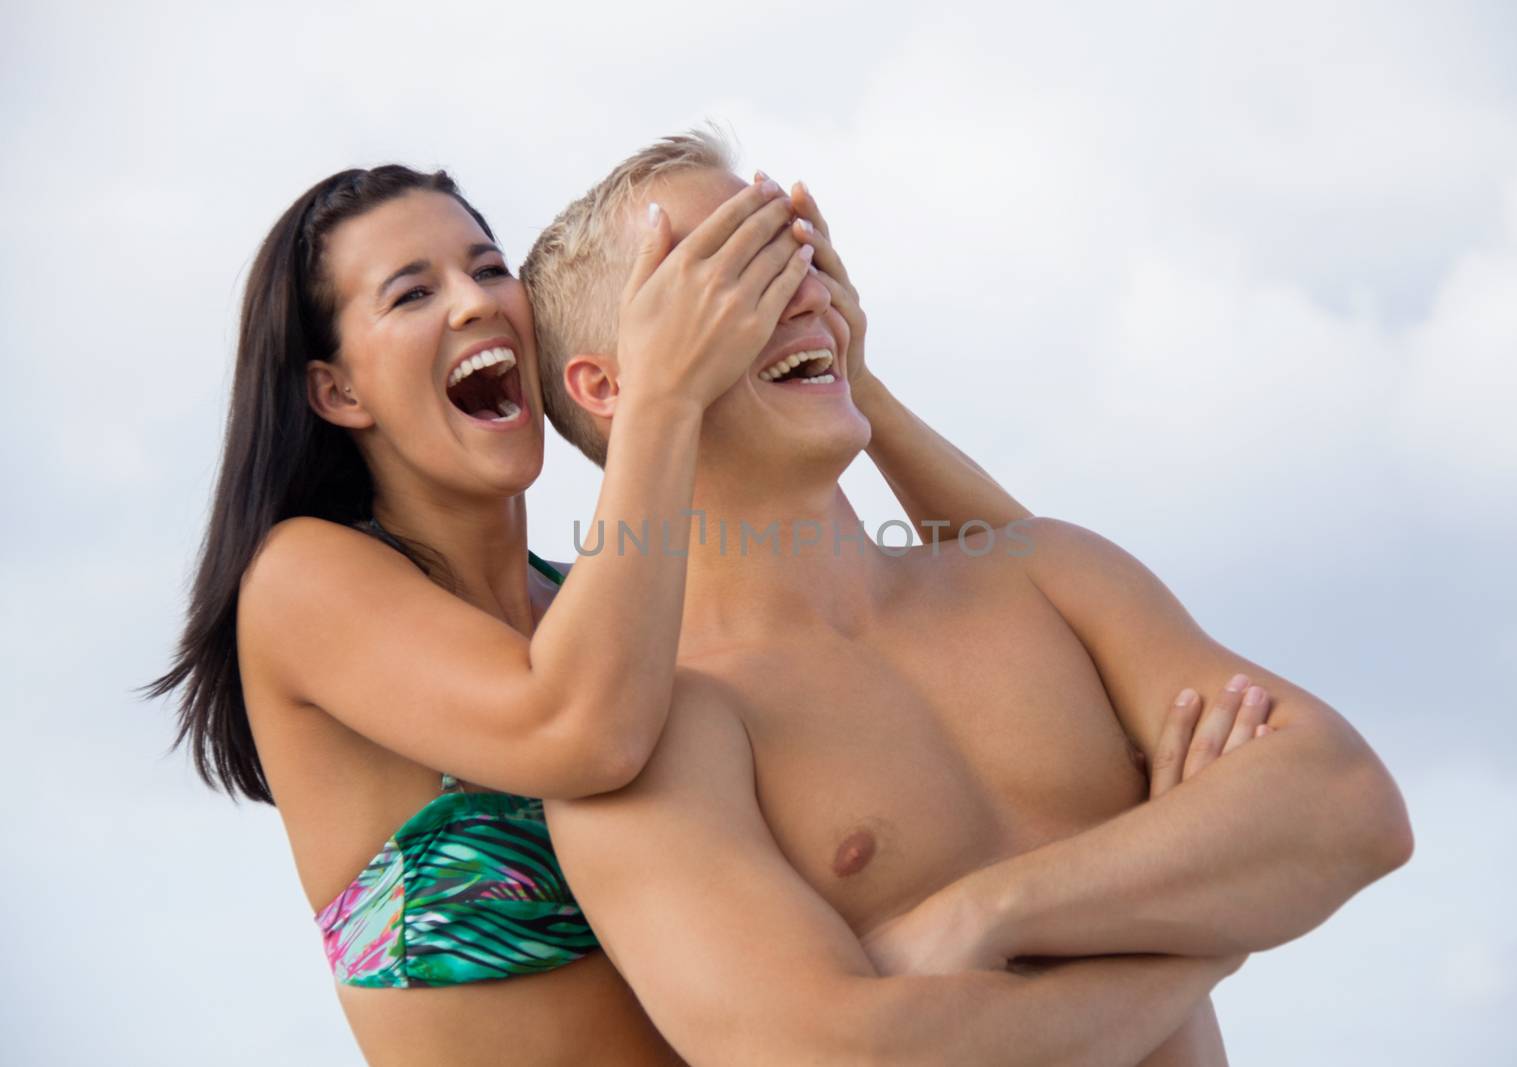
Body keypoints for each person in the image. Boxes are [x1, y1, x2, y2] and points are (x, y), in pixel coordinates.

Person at [529, 131, 1416, 1065]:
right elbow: (838, 1057)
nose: (805, 292)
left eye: (796, 254)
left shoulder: (1042, 574)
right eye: (730, 273)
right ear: (610, 386)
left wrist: (988, 912)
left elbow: (1353, 806)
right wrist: (1221, 917)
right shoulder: (655, 734)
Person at [144, 161, 1038, 1064]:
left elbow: (1032, 600)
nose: (474, 303)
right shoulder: (301, 580)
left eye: (489, 269)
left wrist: (856, 373)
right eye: (413, 292)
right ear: (338, 391)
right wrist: (664, 396)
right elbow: (578, 730)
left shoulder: (610, 612)